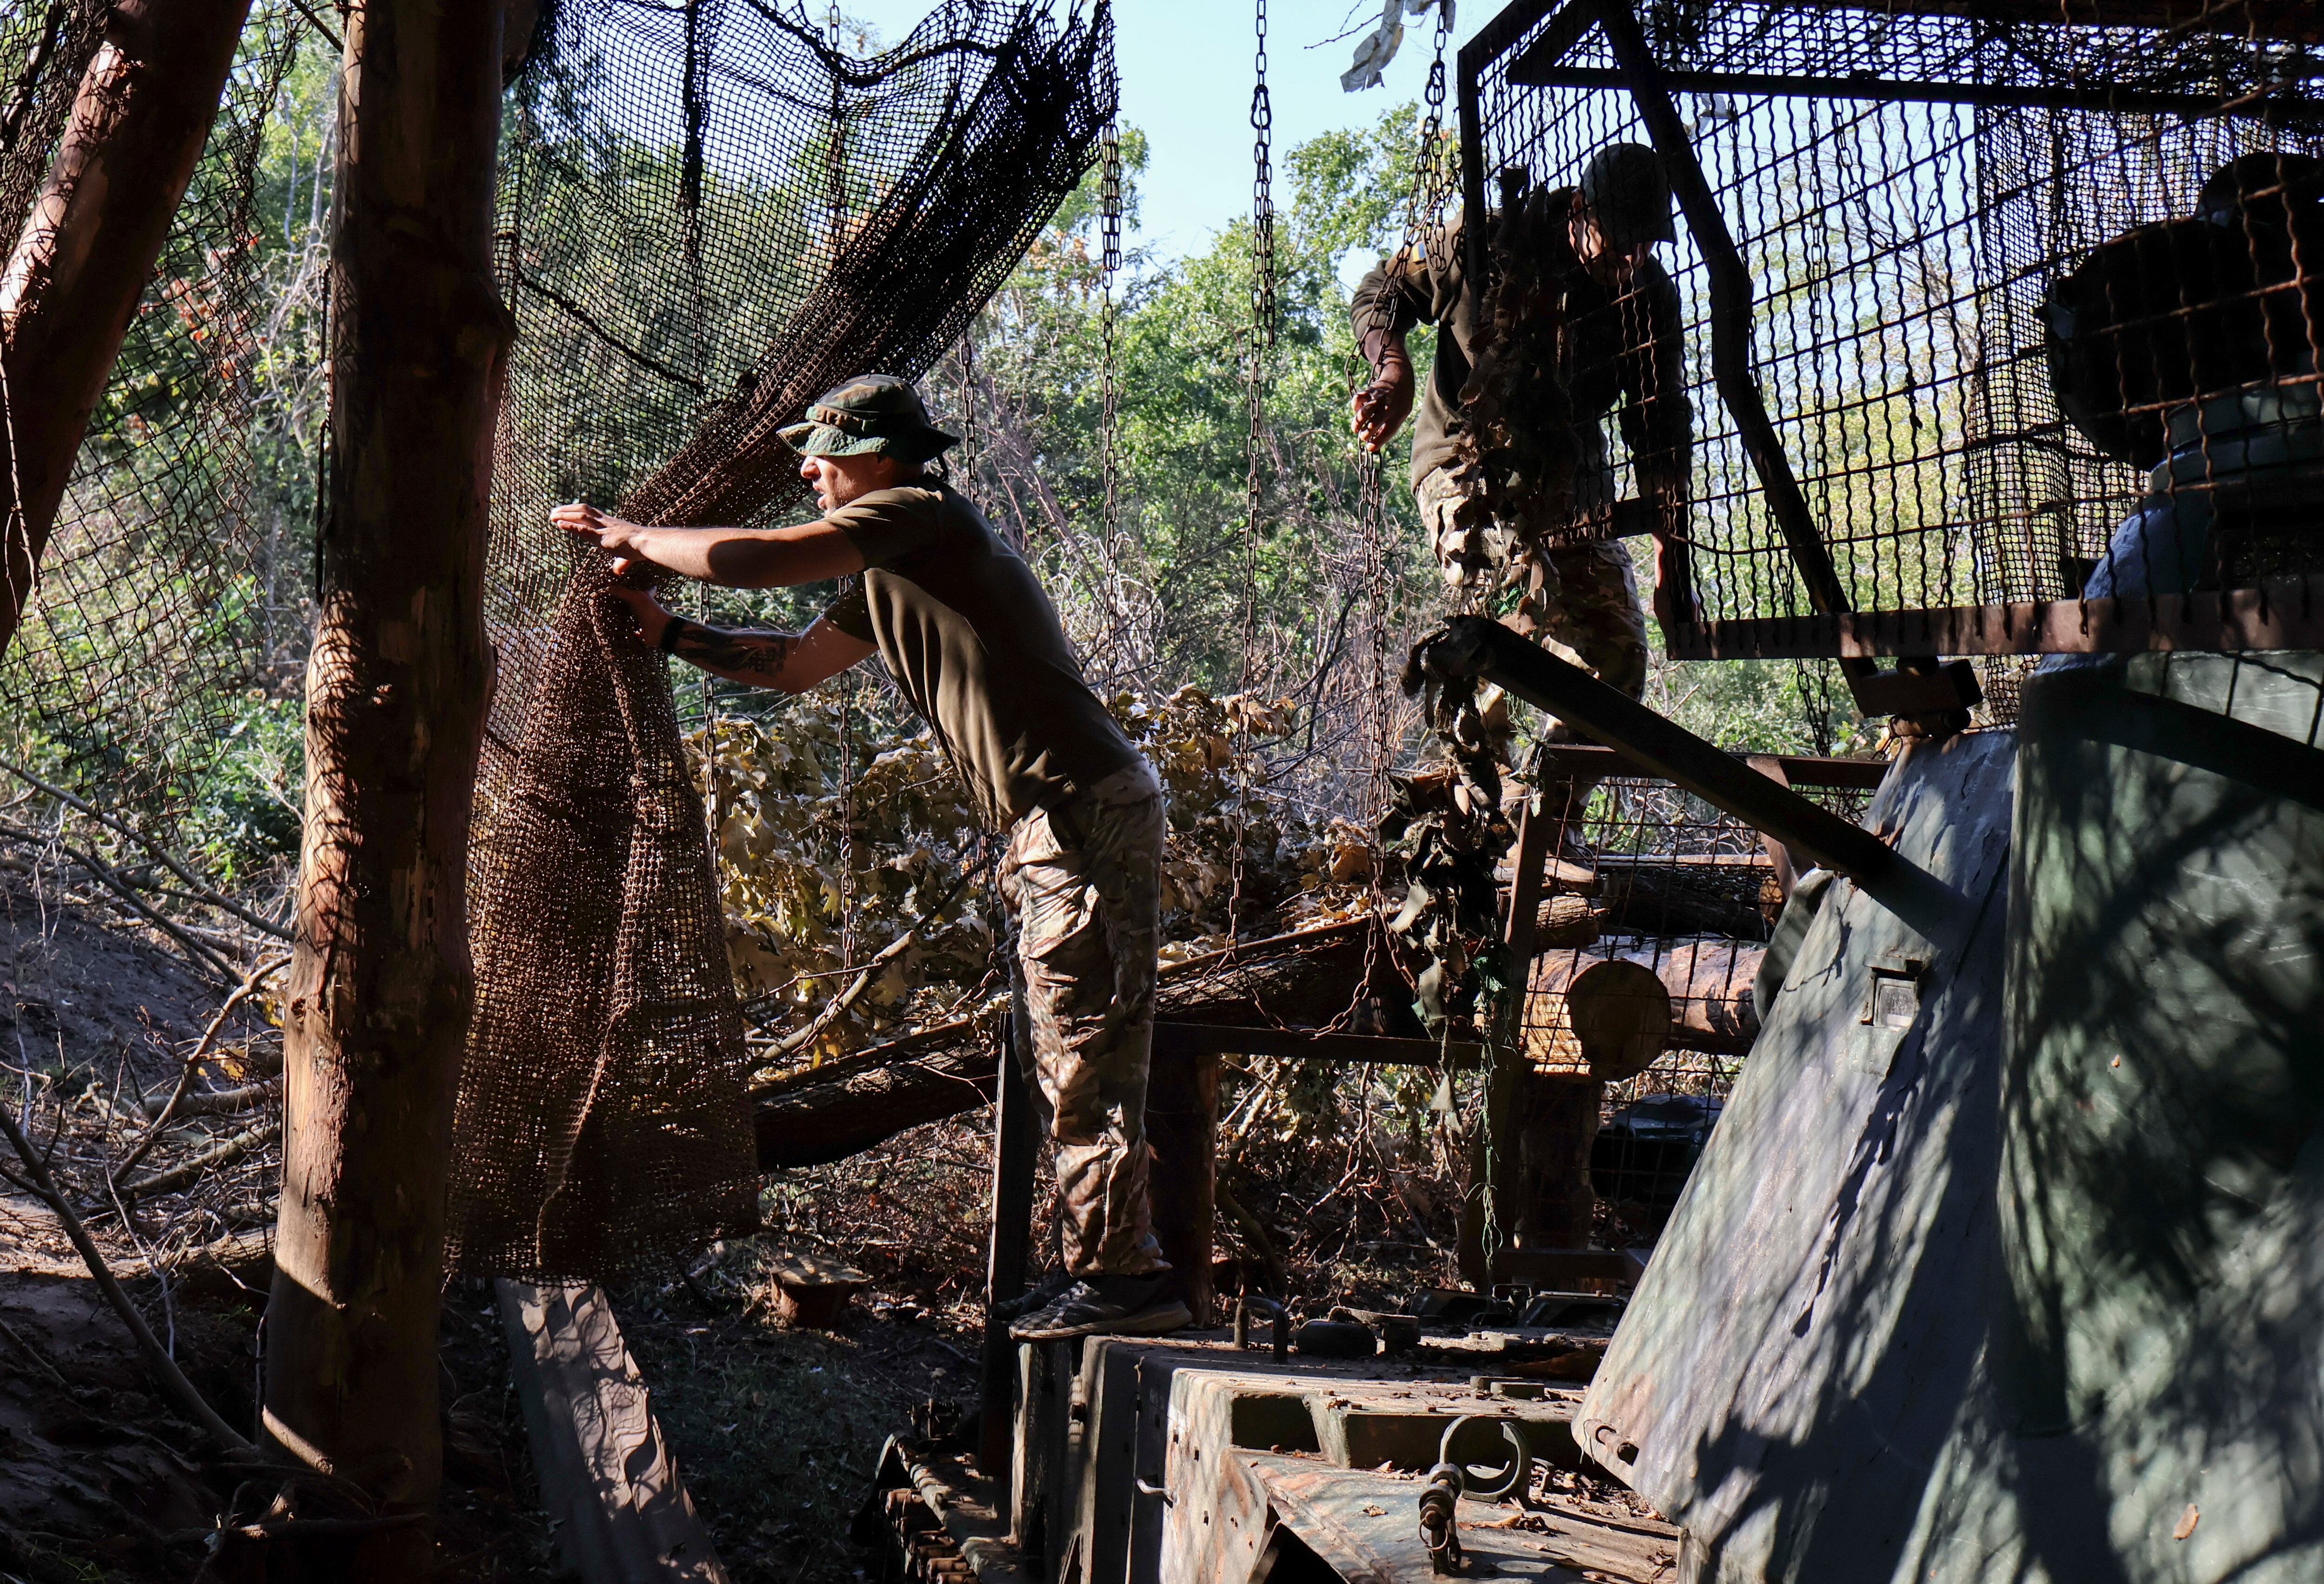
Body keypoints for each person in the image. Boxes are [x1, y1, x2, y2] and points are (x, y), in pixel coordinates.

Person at [552, 374, 1187, 1342]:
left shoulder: (921, 514)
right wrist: (671, 633)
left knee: (1084, 1052)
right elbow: (796, 663)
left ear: (877, 458)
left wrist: (630, 536)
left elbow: (755, 563)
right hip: (1054, 825)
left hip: (1077, 815)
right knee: (1068, 1047)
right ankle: (1106, 1275)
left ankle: (1123, 1285)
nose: (807, 469)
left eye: (822, 451)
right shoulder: (899, 568)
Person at [1348, 140, 1692, 713]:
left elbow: (1658, 423)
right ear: (1579, 209)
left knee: (1619, 661)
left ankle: (1543, 799)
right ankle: (1482, 772)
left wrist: (1670, 555)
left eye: (1645, 241)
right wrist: (1392, 372)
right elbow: (1378, 293)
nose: (1631, 255)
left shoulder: (1648, 295)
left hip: (1571, 485)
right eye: (1619, 235)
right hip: (1464, 465)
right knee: (1506, 626)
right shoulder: (1485, 242)